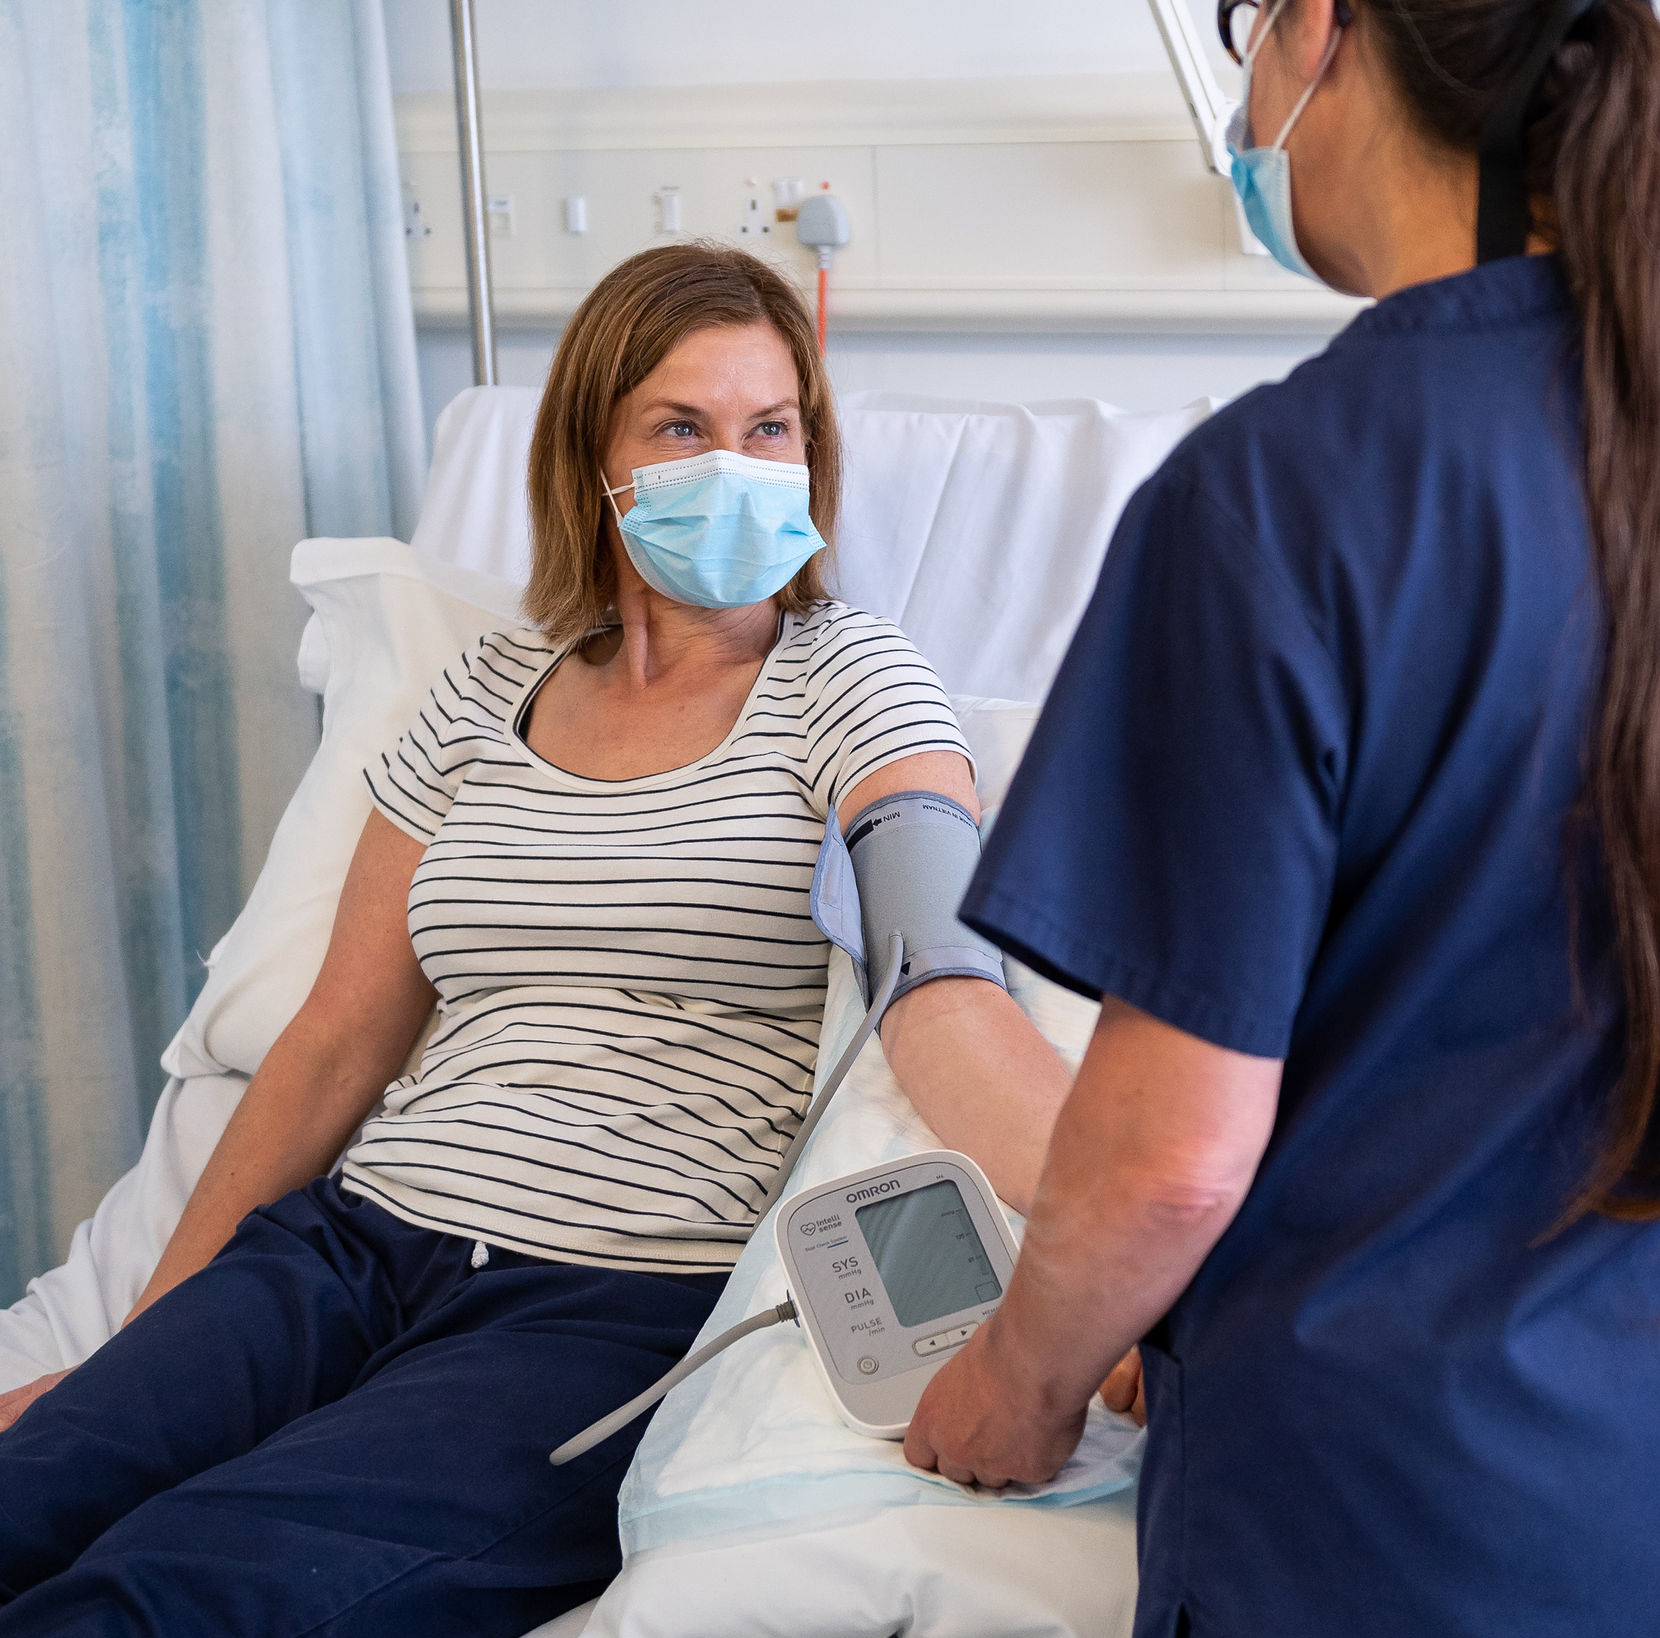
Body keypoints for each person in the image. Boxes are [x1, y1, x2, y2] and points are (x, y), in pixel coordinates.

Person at [905, 1, 1660, 1634]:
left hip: (1405, 1533)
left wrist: (1018, 1385)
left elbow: (1169, 1159)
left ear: (1324, 29)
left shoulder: (1271, 499)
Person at [0, 244, 1072, 1636]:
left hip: (597, 1309)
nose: (735, 466)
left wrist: (1126, 1249)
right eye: (683, 428)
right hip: (346, 1252)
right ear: (598, 458)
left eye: (769, 429)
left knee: (179, 1593)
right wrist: (132, 1352)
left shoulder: (849, 679)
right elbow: (333, 1041)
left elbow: (942, 989)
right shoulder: (483, 690)